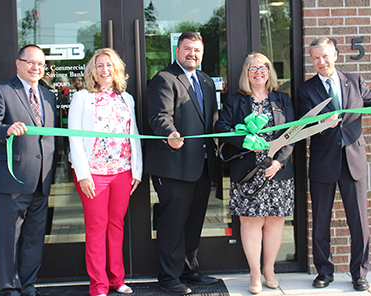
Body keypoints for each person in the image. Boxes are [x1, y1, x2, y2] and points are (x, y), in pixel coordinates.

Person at [297, 37, 371, 291]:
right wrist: (324, 124)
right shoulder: (306, 90)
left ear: (335, 55)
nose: (321, 62)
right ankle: (324, 271)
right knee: (321, 222)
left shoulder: (354, 81)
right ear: (311, 60)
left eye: (325, 56)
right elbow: (303, 126)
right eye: (315, 58)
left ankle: (359, 272)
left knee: (359, 222)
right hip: (323, 164)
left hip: (353, 161)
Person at [145, 31, 220, 295]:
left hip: (201, 166)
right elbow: (159, 116)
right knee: (172, 223)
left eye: (197, 50)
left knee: (194, 221)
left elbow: (211, 121)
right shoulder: (164, 79)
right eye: (187, 49)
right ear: (177, 51)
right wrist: (170, 134)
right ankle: (168, 277)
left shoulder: (207, 81)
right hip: (174, 165)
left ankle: (189, 269)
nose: (192, 54)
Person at [0, 44, 57, 296]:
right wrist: (6, 130)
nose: (37, 68)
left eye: (41, 64)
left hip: (41, 179)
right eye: (31, 62)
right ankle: (9, 287)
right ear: (18, 63)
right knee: (9, 238)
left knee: (34, 238)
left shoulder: (48, 96)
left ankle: (28, 284)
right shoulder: (1, 90)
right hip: (12, 178)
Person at [215, 53, 295, 294]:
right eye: (253, 68)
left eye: (263, 68)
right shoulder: (234, 101)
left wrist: (280, 162)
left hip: (276, 172)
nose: (258, 72)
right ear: (246, 73)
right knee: (250, 223)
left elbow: (293, 132)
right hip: (248, 172)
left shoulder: (283, 99)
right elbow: (221, 128)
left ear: (269, 72)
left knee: (275, 221)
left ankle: (269, 269)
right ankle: (254, 273)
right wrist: (246, 141)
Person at [68, 48, 142, 296]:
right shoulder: (82, 97)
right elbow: (74, 138)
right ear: (92, 70)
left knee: (116, 225)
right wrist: (82, 174)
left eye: (109, 65)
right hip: (94, 174)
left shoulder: (126, 98)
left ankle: (116, 279)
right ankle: (98, 284)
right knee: (97, 227)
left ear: (117, 69)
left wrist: (137, 171)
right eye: (99, 65)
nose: (104, 70)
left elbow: (134, 136)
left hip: (122, 171)